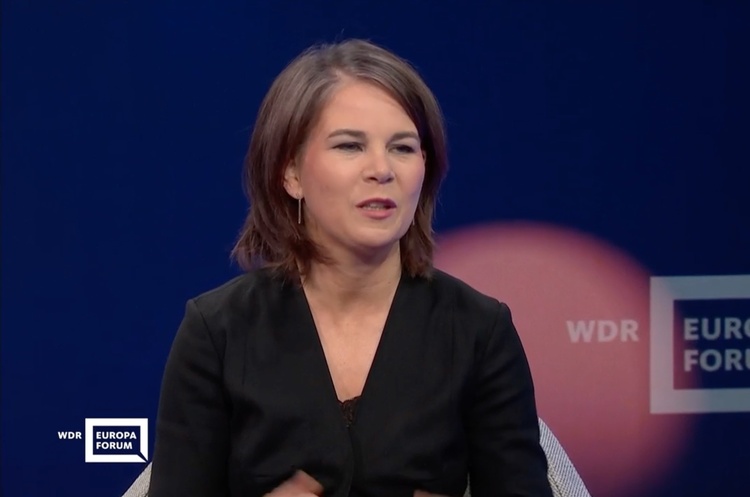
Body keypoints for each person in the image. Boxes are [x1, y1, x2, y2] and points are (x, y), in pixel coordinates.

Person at [149, 38, 552, 497]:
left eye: (402, 148)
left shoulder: (479, 331)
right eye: (349, 146)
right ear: (291, 173)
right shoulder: (218, 332)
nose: (382, 169)